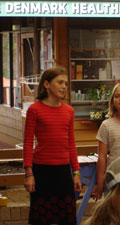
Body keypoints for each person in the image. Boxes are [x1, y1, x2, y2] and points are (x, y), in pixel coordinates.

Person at [23, 66, 82, 225]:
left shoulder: (69, 111)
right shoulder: (34, 110)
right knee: (41, 218)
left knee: (67, 218)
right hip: (41, 171)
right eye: (60, 82)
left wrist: (76, 173)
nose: (64, 87)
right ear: (47, 84)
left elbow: (71, 142)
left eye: (66, 84)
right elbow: (28, 143)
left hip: (63, 171)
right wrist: (29, 173)